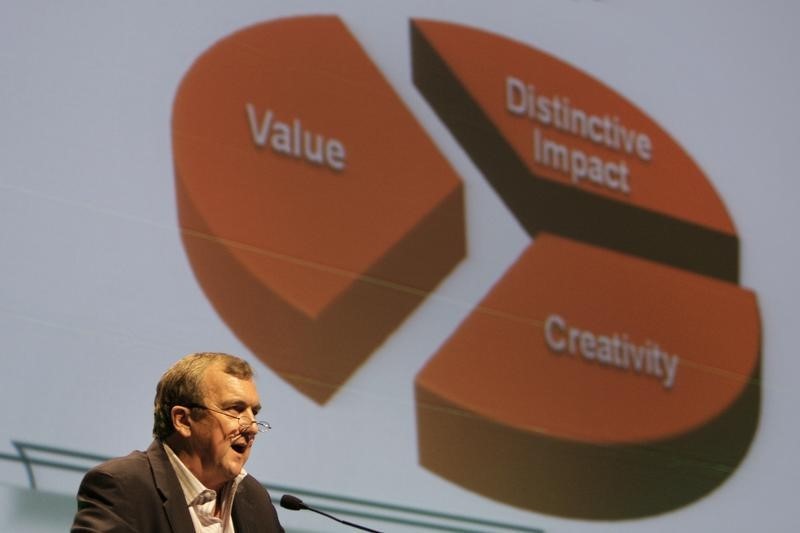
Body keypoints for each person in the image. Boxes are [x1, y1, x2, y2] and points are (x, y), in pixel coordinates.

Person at [71, 352, 285, 532]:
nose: (253, 427)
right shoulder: (122, 487)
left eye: (254, 412)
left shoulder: (255, 500)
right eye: (234, 409)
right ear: (182, 420)